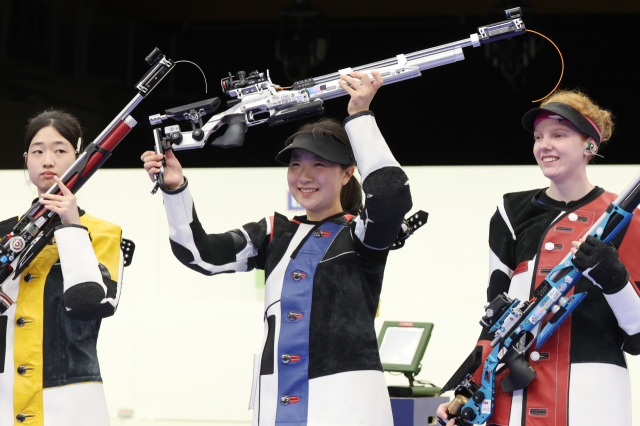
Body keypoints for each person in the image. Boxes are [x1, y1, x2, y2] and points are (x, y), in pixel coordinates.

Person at [142, 71, 412, 426]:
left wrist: (360, 116)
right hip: (276, 400)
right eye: (296, 163)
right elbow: (201, 255)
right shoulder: (273, 233)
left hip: (347, 403)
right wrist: (175, 189)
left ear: (348, 173)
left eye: (320, 164)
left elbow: (391, 196)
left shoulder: (361, 235)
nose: (304, 175)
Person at [437, 90, 640, 426]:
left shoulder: (624, 219)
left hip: (592, 396)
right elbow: (494, 321)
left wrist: (613, 278)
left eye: (558, 135)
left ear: (590, 145)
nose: (544, 145)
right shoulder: (510, 212)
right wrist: (466, 392)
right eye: (538, 137)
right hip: (513, 398)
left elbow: (637, 337)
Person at [0, 109, 125, 426]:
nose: (47, 160)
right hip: (6, 392)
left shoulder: (103, 233)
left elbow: (91, 304)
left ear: (78, 158)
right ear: (26, 159)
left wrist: (71, 225)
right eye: (38, 151)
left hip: (70, 400)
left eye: (59, 150)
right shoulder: (4, 234)